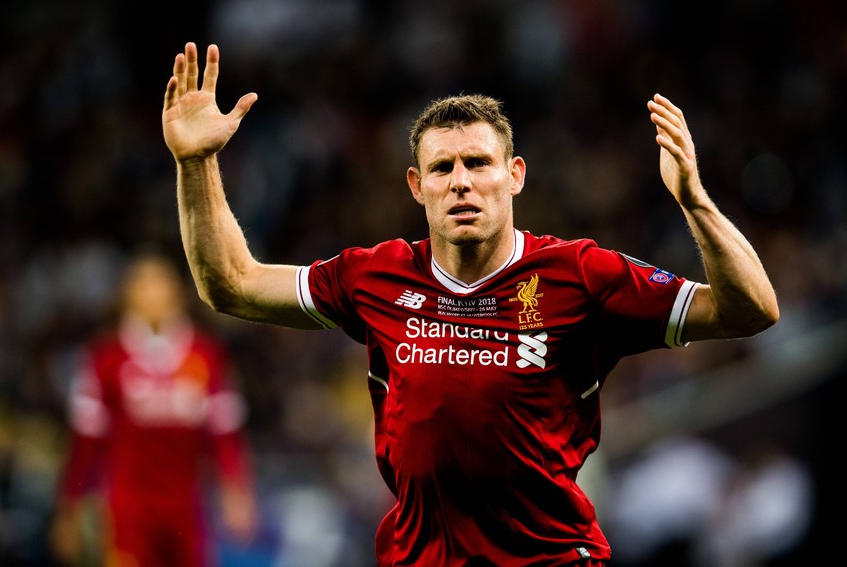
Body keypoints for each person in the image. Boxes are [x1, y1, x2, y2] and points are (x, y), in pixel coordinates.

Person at [161, 42, 779, 566]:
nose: (462, 180)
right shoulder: (374, 275)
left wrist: (695, 201)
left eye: (479, 163)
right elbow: (232, 284)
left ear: (514, 175)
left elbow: (751, 309)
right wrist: (197, 163)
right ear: (417, 185)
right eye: (443, 167)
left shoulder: (580, 274)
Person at [50, 247, 258, 567]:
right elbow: (86, 441)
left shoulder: (206, 356)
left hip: (187, 509)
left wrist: (236, 491)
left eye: (158, 282)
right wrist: (70, 507)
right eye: (142, 283)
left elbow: (224, 434)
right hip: (127, 511)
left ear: (177, 292)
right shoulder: (106, 358)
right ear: (126, 295)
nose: (151, 292)